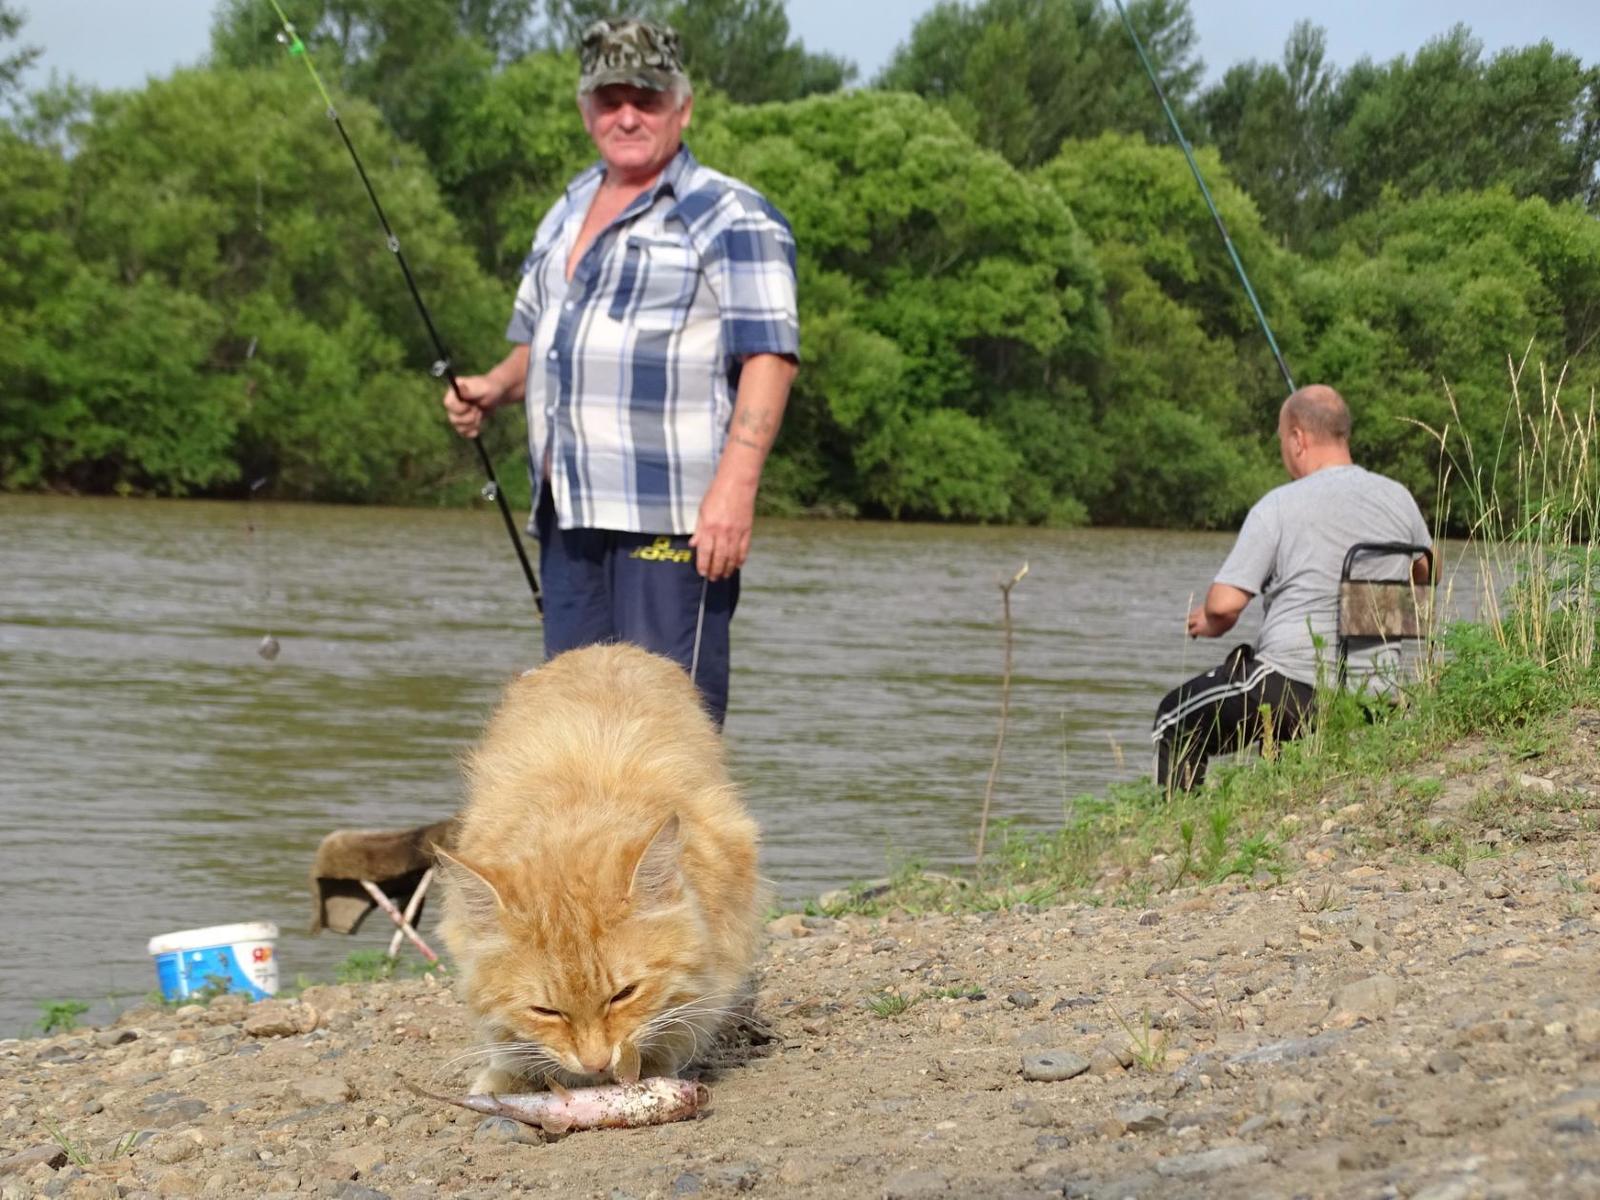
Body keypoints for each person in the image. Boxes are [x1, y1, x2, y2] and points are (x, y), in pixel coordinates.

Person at [441, 18, 799, 727]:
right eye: (610, 99)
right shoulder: (566, 209)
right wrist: (493, 385)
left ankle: (678, 846)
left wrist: (735, 490)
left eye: (647, 97)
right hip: (568, 514)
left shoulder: (732, 215)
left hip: (672, 517)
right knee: (573, 729)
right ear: (586, 110)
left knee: (666, 730)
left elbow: (770, 356)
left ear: (682, 107)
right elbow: (540, 343)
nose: (627, 115)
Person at [1151, 385, 1433, 790]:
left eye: (1283, 438)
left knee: (1173, 718)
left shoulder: (1279, 505)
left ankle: (1175, 835)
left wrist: (1211, 622)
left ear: (1299, 438)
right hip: (1378, 696)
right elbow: (1425, 571)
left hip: (1295, 692)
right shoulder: (1399, 497)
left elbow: (1225, 604)